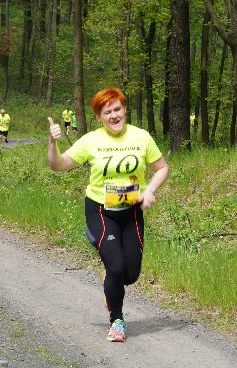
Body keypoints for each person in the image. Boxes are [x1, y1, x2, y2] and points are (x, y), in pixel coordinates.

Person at [47, 87, 170, 343]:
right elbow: (58, 165)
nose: (114, 115)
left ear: (125, 109)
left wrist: (149, 191)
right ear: (99, 117)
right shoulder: (91, 140)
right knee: (116, 267)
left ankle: (110, 282)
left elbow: (162, 168)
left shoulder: (142, 137)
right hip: (101, 211)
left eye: (117, 109)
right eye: (107, 112)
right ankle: (117, 321)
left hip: (132, 211)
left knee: (130, 274)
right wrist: (53, 143)